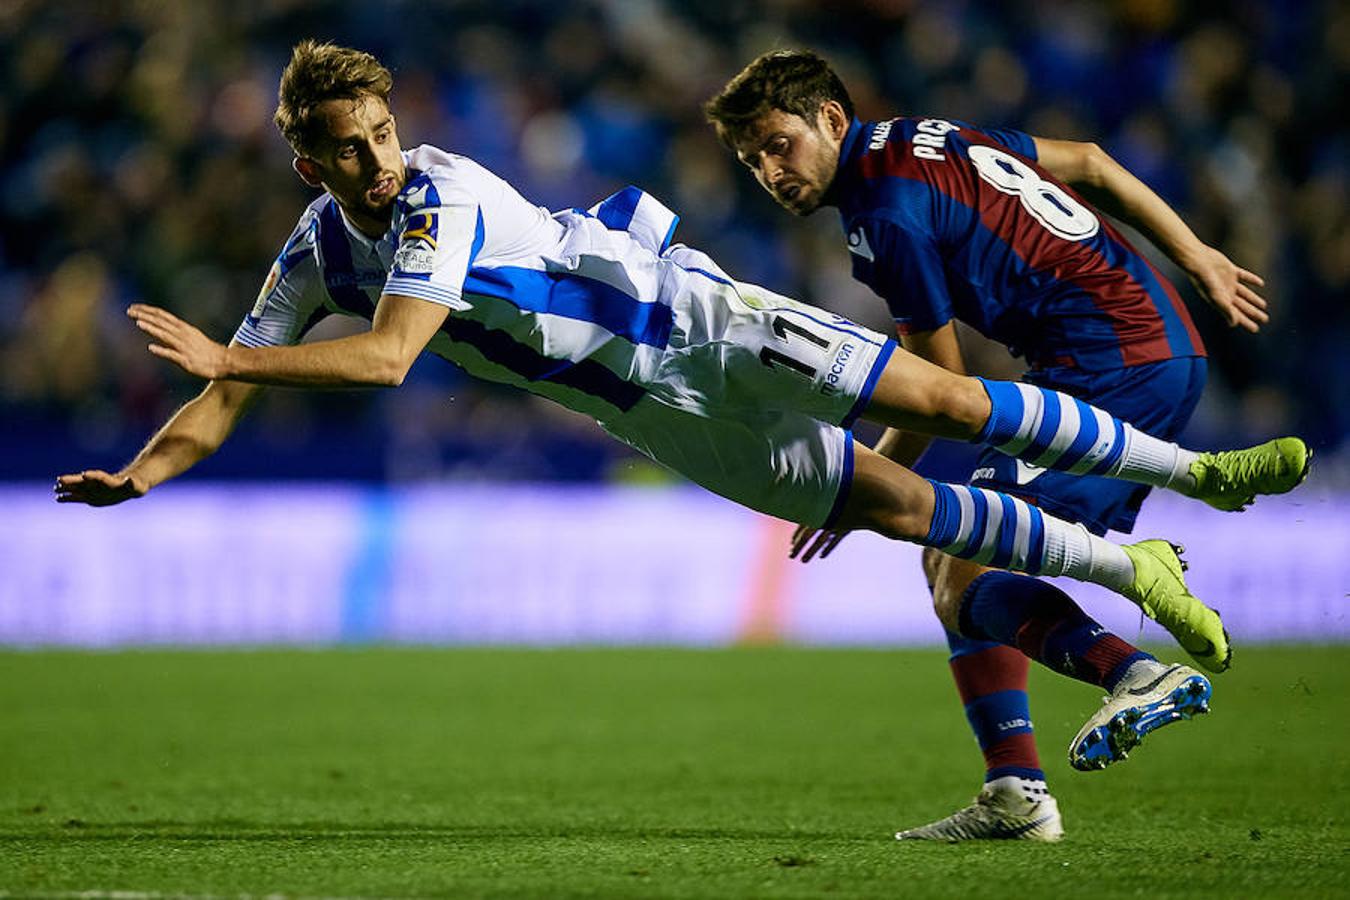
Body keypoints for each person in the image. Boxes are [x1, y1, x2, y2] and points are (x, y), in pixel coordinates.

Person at [59, 43, 1305, 836]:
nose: (376, 159)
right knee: (900, 510)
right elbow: (219, 397)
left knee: (946, 402)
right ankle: (1104, 650)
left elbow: (384, 358)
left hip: (696, 320)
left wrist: (235, 358)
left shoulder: (435, 195)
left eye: (381, 133)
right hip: (649, 409)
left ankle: (1190, 488)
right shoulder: (314, 254)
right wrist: (144, 473)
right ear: (303, 158)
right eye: (347, 146)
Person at [704, 49, 1304, 842]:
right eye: (752, 161)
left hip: (1111, 363)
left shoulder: (882, 213)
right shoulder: (922, 138)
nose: (771, 171)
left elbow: (941, 396)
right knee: (950, 551)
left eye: (779, 144)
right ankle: (1015, 790)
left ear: (831, 119)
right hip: (1139, 343)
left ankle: (1133, 675)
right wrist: (1195, 257)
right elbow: (1089, 161)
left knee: (962, 557)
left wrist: (859, 484)